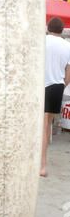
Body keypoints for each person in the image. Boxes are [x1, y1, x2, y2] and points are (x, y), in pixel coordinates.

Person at [40, 17, 70, 177]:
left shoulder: (41, 41)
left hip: (38, 86)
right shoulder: (67, 46)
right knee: (47, 125)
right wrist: (61, 85)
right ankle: (42, 166)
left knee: (35, 125)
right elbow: (68, 73)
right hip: (56, 86)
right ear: (62, 30)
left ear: (49, 28)